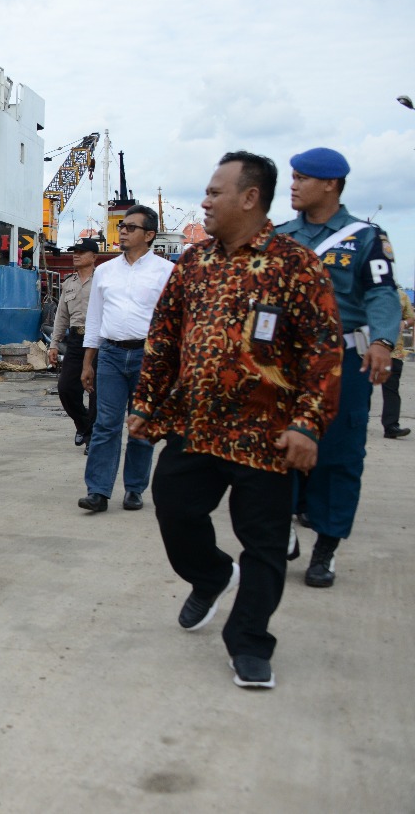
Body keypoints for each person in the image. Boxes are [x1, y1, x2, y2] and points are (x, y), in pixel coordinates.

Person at [130, 151, 342, 688]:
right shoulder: (195, 264)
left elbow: (323, 350)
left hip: (266, 437)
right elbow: (163, 338)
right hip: (197, 428)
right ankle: (211, 575)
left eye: (214, 192)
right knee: (173, 509)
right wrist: (146, 404)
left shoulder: (296, 265)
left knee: (265, 545)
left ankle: (249, 641)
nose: (204, 201)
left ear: (250, 198)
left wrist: (308, 424)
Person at [276, 147, 402, 587]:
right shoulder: (280, 236)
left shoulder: (365, 238)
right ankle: (281, 526)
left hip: (343, 359)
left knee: (339, 453)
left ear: (330, 184)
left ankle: (326, 547)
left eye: (302, 178)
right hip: (285, 361)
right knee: (277, 445)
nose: (292, 185)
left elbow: (383, 293)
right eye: (292, 177)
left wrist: (383, 341)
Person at [78, 205, 175, 512]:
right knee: (106, 424)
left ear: (149, 235)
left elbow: (174, 321)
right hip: (110, 354)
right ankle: (98, 491)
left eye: (131, 227)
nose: (123, 231)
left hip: (150, 357)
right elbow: (94, 320)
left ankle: (134, 488)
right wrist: (87, 362)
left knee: (140, 424)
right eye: (122, 226)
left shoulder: (166, 272)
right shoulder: (105, 271)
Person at [48, 238, 99, 449]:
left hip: (99, 339)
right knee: (66, 388)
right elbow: (61, 317)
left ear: (94, 257)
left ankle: (93, 438)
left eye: (81, 251)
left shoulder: (102, 280)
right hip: (77, 340)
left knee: (95, 391)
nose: (75, 255)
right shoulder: (68, 282)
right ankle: (84, 424)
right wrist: (53, 344)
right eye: (74, 251)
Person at [380, 287, 413, 438]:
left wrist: (405, 323)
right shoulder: (364, 290)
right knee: (362, 387)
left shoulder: (402, 295)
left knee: (391, 389)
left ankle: (391, 425)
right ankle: (357, 420)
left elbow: (411, 317)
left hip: (394, 350)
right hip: (365, 349)